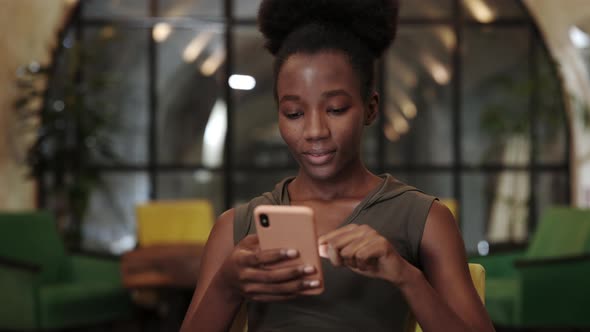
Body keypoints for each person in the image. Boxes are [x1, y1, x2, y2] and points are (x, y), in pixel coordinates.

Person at [181, 0, 495, 331]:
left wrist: (406, 277)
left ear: (371, 108)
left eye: (336, 109)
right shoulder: (236, 227)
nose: (315, 131)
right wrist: (226, 286)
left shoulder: (425, 219)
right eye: (294, 114)